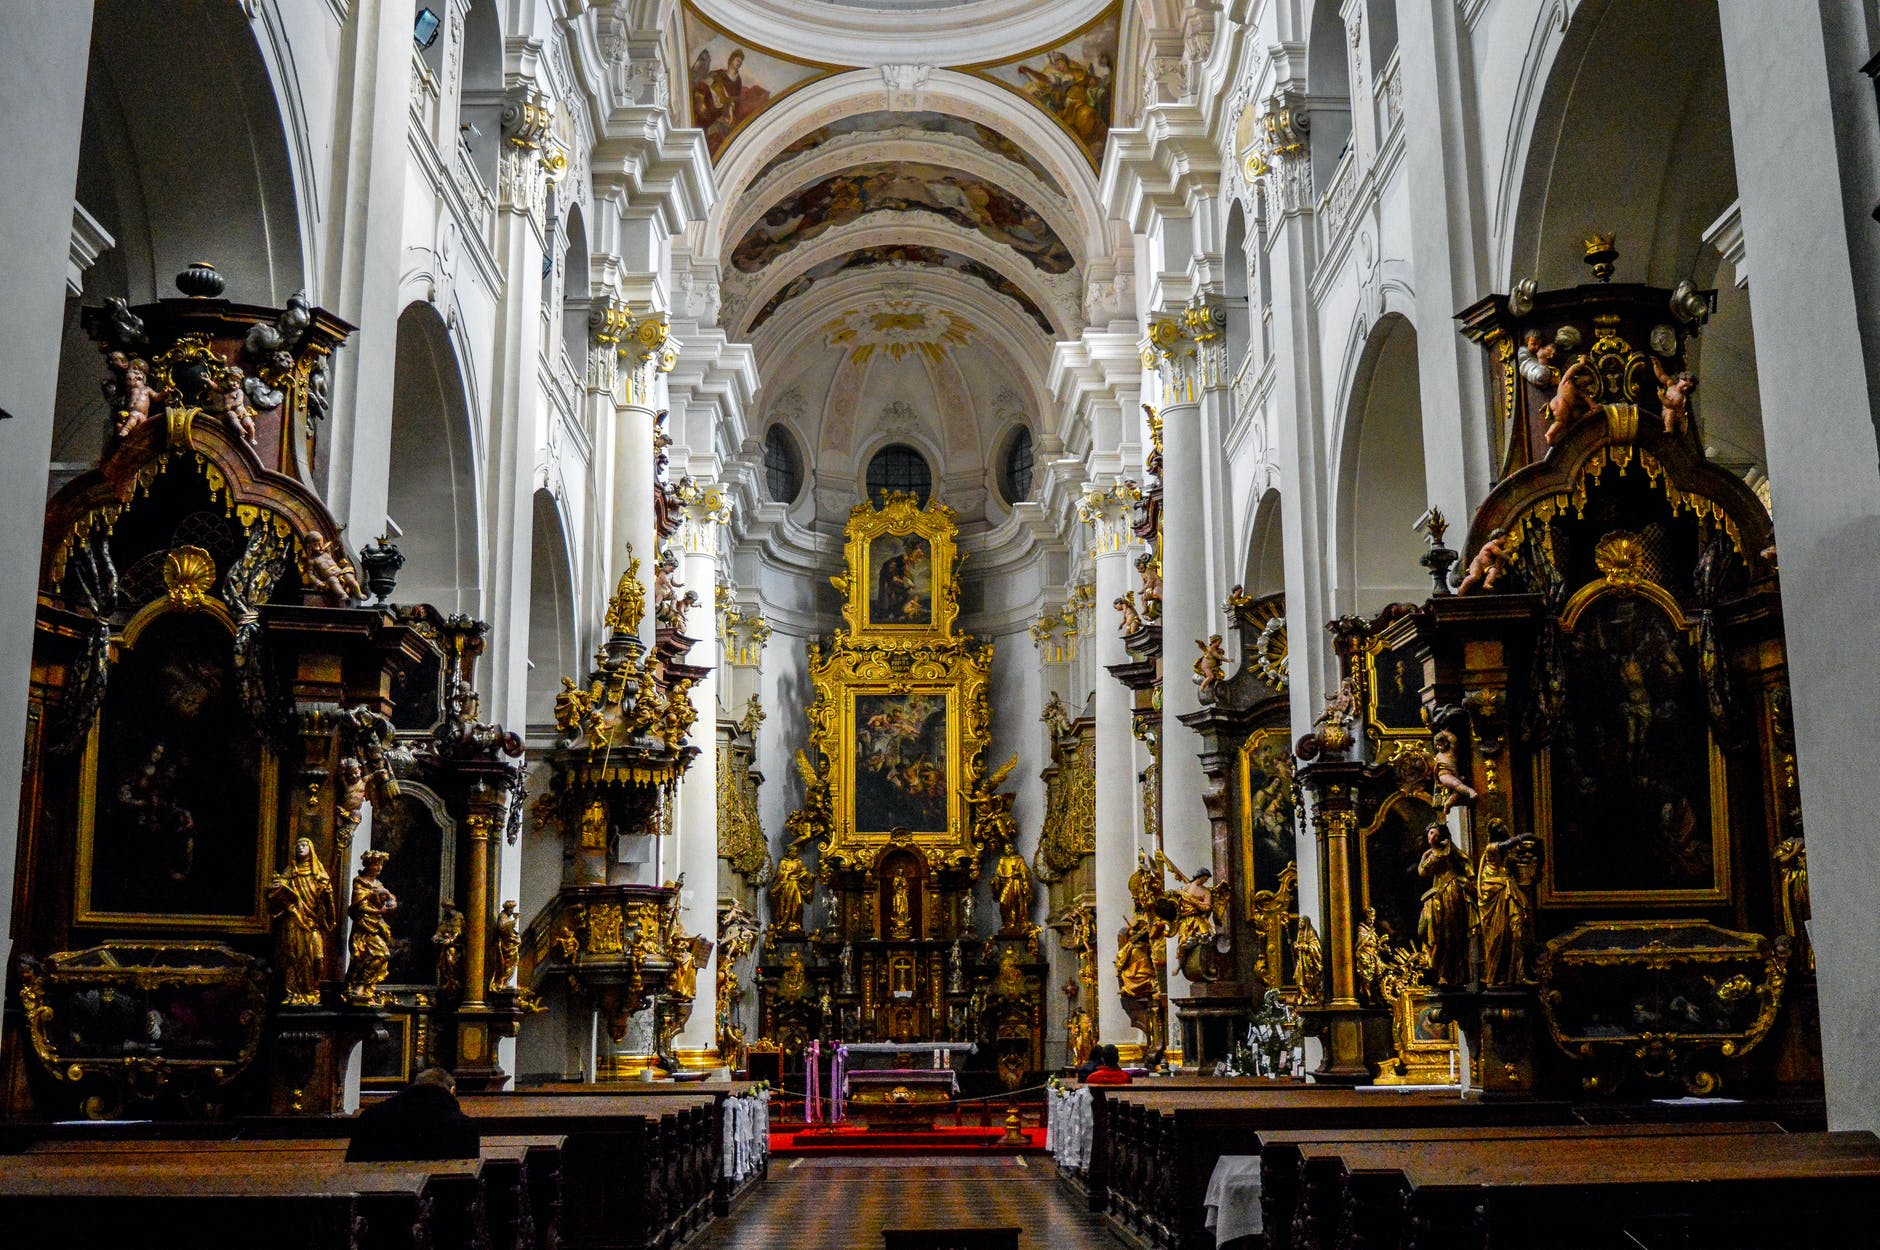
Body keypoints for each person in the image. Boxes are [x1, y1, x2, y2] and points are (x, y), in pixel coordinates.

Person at [345, 1066, 479, 1162]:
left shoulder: (371, 1116)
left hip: (376, 1199)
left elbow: (351, 1165)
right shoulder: (464, 1126)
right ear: (452, 1090)